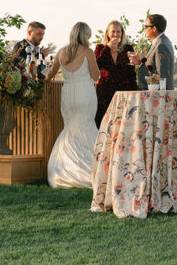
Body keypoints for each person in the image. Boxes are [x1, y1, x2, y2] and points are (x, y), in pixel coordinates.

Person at [46, 22, 100, 188]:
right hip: (85, 94)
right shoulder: (88, 52)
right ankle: (90, 171)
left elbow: (49, 75)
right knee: (87, 128)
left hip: (68, 94)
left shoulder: (61, 52)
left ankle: (65, 170)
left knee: (70, 129)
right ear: (84, 36)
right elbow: (96, 75)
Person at [94, 19, 138, 126]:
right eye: (113, 31)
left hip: (124, 91)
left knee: (123, 123)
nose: (115, 34)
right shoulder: (100, 48)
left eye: (118, 32)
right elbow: (96, 66)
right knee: (104, 123)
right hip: (105, 92)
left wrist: (134, 92)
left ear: (122, 33)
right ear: (108, 33)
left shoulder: (128, 48)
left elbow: (131, 72)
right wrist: (108, 48)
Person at [130, 13, 175, 90]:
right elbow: (154, 67)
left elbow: (162, 76)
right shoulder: (160, 42)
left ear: (154, 28)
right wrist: (140, 62)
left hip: (157, 96)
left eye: (146, 26)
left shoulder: (161, 45)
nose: (144, 29)